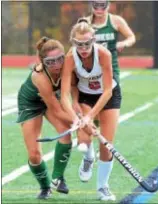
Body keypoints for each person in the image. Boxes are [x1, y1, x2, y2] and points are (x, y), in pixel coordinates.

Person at [61, 19, 122, 201]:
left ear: (93, 40)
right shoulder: (70, 58)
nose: (84, 47)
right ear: (73, 43)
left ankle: (103, 188)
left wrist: (89, 116)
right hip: (85, 95)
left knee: (106, 145)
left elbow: (108, 91)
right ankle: (88, 158)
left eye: (87, 43)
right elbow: (64, 95)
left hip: (108, 96)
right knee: (83, 141)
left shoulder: (103, 54)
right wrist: (76, 117)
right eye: (79, 44)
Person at [77, 0, 136, 184]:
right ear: (91, 6)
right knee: (87, 131)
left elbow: (131, 37)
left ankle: (103, 187)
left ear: (109, 6)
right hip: (88, 78)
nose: (100, 9)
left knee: (106, 134)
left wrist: (124, 44)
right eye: (96, 5)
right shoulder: (85, 23)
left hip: (109, 73)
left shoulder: (116, 21)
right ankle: (88, 156)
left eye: (104, 5)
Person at [17, 37, 73, 199]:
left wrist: (82, 118)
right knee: (34, 154)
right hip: (31, 103)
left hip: (52, 98)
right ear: (42, 61)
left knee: (65, 134)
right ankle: (45, 187)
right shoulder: (39, 77)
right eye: (50, 62)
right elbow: (56, 110)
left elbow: (69, 96)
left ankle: (57, 177)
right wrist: (78, 121)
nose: (56, 65)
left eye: (59, 59)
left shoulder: (68, 66)